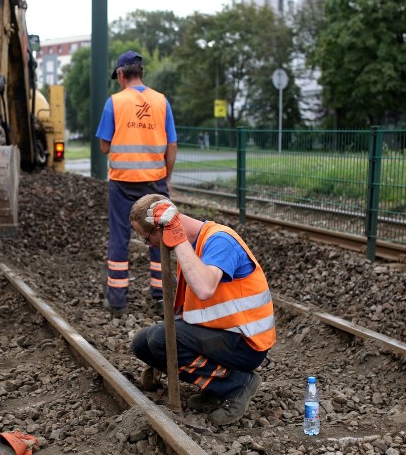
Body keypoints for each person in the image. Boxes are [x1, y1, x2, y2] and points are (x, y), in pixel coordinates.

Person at [128, 194, 275, 426]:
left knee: (160, 338)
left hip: (245, 343)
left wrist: (177, 238)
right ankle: (215, 386)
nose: (150, 246)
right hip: (218, 334)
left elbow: (205, 288)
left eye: (148, 239)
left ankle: (237, 384)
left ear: (161, 229)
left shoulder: (220, 241)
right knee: (142, 344)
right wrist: (158, 358)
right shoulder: (190, 245)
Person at [96, 50, 178, 315]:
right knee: (161, 236)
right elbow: (172, 145)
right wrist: (167, 177)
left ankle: (117, 300)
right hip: (155, 182)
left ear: (121, 75)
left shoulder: (114, 102)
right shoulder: (161, 101)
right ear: (141, 73)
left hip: (122, 183)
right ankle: (161, 296)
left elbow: (104, 146)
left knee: (120, 236)